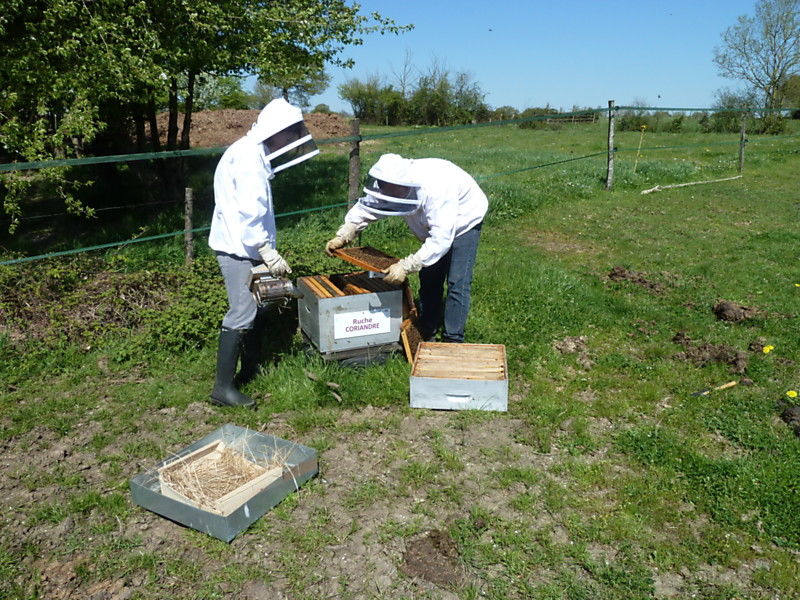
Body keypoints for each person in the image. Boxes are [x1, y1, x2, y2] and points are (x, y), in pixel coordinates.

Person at [208, 98, 319, 408]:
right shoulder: (247, 159)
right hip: (239, 249)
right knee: (242, 311)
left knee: (256, 307)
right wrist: (267, 251)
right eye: (291, 133)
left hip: (246, 246)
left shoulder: (251, 153)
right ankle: (222, 388)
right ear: (277, 130)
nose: (293, 139)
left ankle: (250, 368)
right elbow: (250, 214)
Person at [325, 153, 487, 344]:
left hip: (465, 220)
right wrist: (346, 232)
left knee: (457, 282)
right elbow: (370, 205)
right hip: (434, 227)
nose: (385, 192)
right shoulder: (390, 182)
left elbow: (441, 239)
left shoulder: (438, 189)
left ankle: (453, 339)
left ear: (404, 186)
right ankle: (428, 331)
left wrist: (407, 265)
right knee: (429, 277)